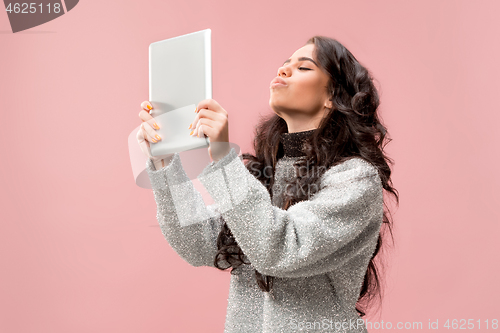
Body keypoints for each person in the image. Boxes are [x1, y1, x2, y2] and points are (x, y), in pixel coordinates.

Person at [136, 35, 398, 333]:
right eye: (285, 64)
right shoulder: (264, 175)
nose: (283, 70)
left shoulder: (355, 178)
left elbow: (279, 248)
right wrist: (164, 159)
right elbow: (195, 243)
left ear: (332, 96)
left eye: (303, 68)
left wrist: (223, 157)